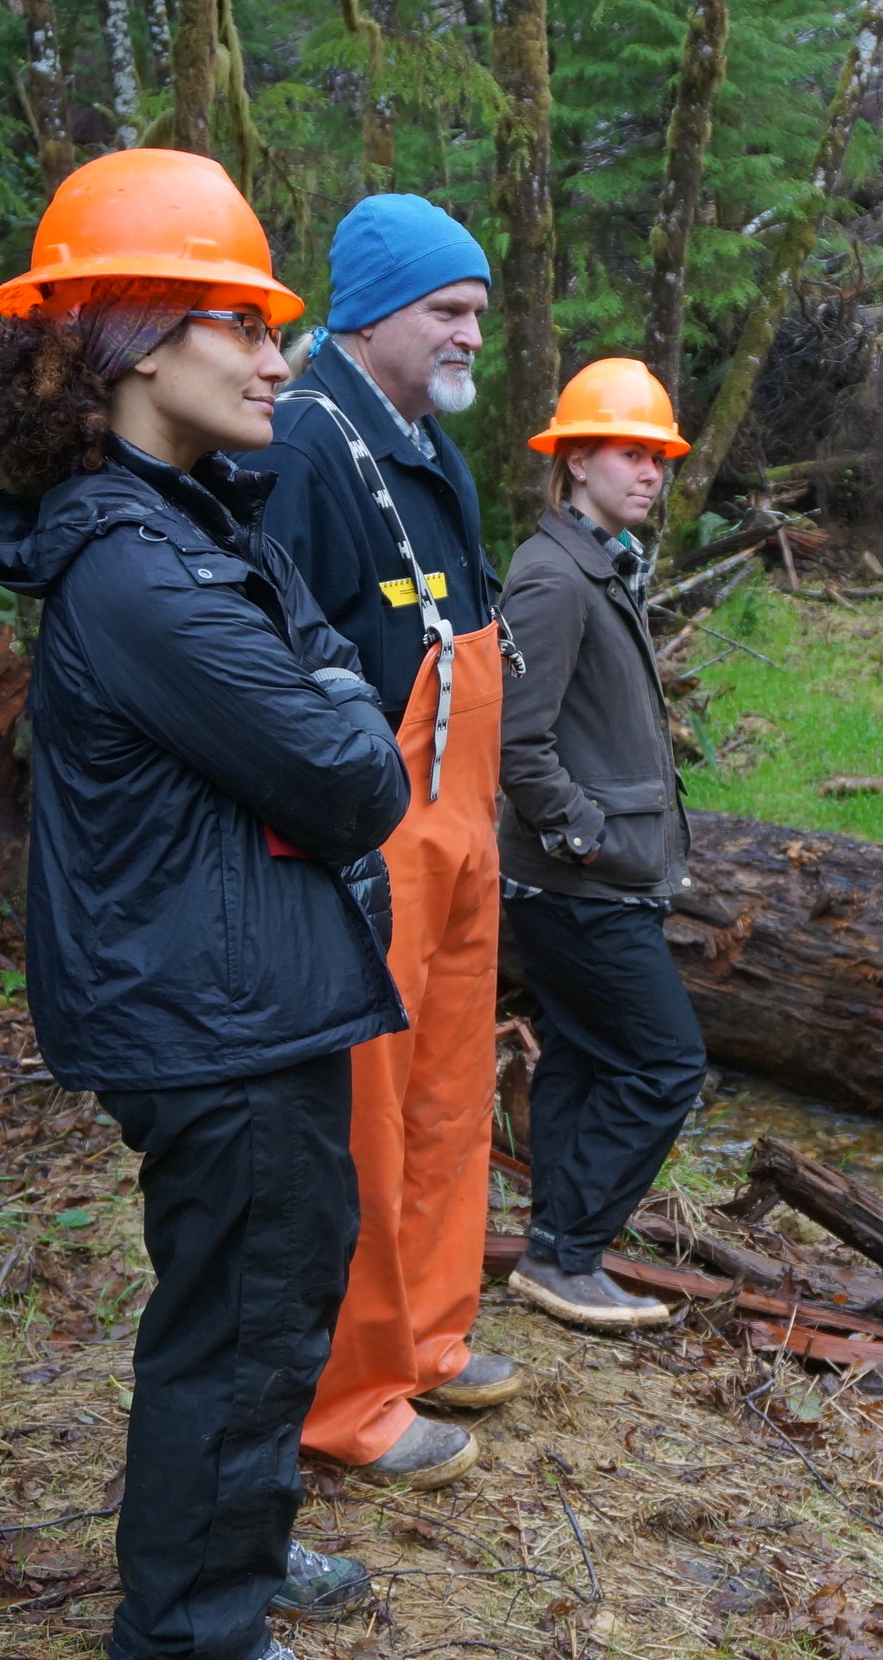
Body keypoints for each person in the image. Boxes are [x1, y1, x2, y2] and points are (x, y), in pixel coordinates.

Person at [0, 149, 409, 1660]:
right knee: (238, 1325)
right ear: (142, 336)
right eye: (249, 325)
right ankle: (194, 1633)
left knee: (274, 1294)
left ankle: (242, 1550)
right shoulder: (136, 570)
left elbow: (322, 675)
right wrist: (341, 694)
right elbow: (352, 776)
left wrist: (329, 684)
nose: (283, 360)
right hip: (212, 1010)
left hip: (240, 985)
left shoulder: (189, 516)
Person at [252, 194, 522, 1492]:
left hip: (459, 820)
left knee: (449, 1090)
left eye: (476, 309)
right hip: (374, 831)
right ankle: (350, 1395)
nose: (472, 332)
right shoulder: (303, 443)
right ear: (370, 312)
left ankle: (427, 1331)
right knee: (365, 1107)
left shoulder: (428, 443)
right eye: (447, 311)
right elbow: (276, 661)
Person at [496, 359, 708, 1327]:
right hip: (577, 886)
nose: (651, 472)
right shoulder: (553, 575)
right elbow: (515, 739)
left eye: (658, 456)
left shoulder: (598, 561)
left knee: (582, 1055)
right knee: (665, 1062)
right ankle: (570, 1253)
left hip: (598, 880)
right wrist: (582, 835)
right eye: (631, 452)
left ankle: (551, 1251)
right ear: (575, 457)